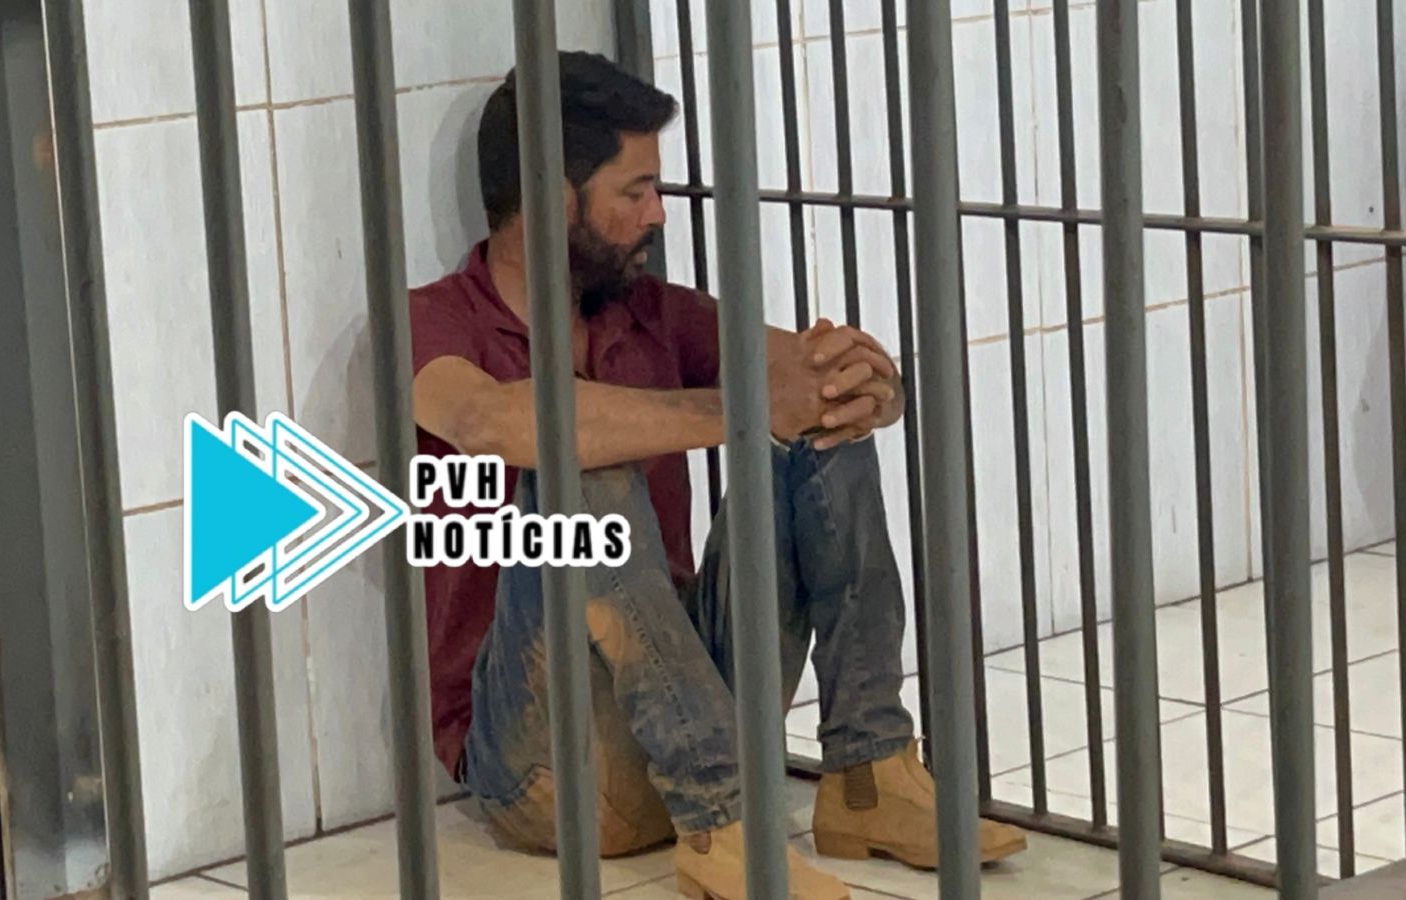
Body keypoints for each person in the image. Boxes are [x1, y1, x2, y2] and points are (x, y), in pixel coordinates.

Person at [408, 51, 1026, 899]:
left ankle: (868, 772)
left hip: (687, 701)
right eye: (634, 192)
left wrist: (862, 387)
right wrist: (743, 410)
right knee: (576, 468)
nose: (658, 213)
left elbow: (804, 377)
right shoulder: (433, 321)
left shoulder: (653, 312)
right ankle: (720, 821)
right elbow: (492, 423)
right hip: (544, 768)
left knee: (815, 429)